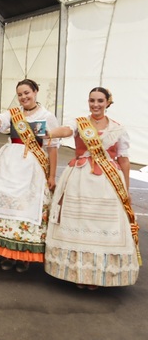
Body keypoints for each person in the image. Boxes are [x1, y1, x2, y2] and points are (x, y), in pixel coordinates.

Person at [44, 87, 140, 289]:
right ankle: (78, 271)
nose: (95, 105)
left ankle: (99, 273)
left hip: (108, 181)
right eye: (92, 101)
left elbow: (123, 160)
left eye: (100, 101)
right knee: (79, 222)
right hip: (80, 177)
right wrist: (51, 132)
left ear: (107, 103)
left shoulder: (117, 128)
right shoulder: (79, 123)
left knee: (103, 226)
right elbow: (67, 131)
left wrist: (126, 191)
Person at [0, 79, 59, 273]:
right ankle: (6, 252)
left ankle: (23, 255)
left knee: (26, 208)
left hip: (33, 167)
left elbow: (53, 147)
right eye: (20, 94)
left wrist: (51, 175)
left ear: (36, 91)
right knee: (6, 204)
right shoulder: (13, 113)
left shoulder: (47, 116)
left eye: (27, 93)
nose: (24, 97)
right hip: (10, 164)